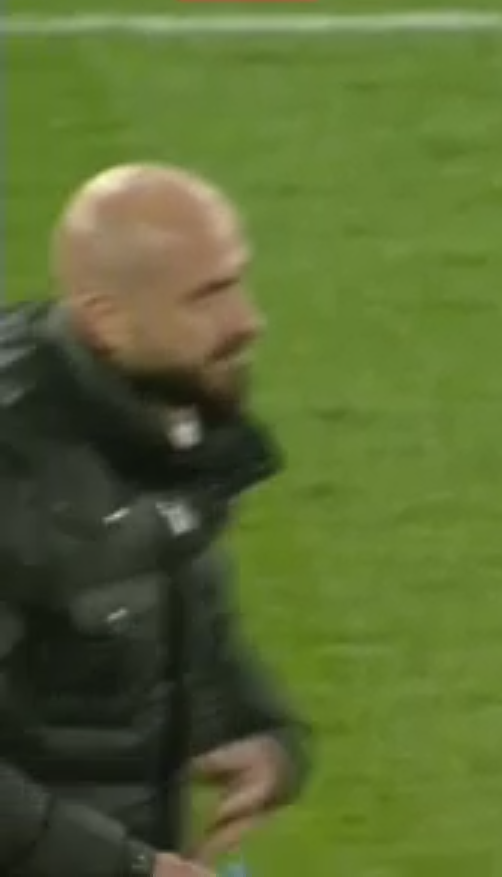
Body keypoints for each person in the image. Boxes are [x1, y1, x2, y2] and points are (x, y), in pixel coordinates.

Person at [0, 166, 311, 877]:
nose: (248, 321)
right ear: (106, 320)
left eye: (237, 281)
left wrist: (260, 735)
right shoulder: (15, 478)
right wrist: (125, 866)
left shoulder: (158, 412)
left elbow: (164, 606)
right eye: (207, 296)